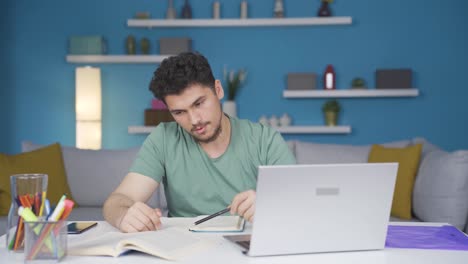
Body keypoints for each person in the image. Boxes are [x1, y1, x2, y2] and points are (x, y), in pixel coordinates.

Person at [103, 52, 296, 233]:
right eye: (179, 112)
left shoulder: (264, 139)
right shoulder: (163, 138)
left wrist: (269, 205)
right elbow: (118, 200)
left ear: (218, 90)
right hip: (184, 248)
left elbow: (300, 202)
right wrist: (124, 216)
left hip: (247, 245)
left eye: (199, 103)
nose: (194, 120)